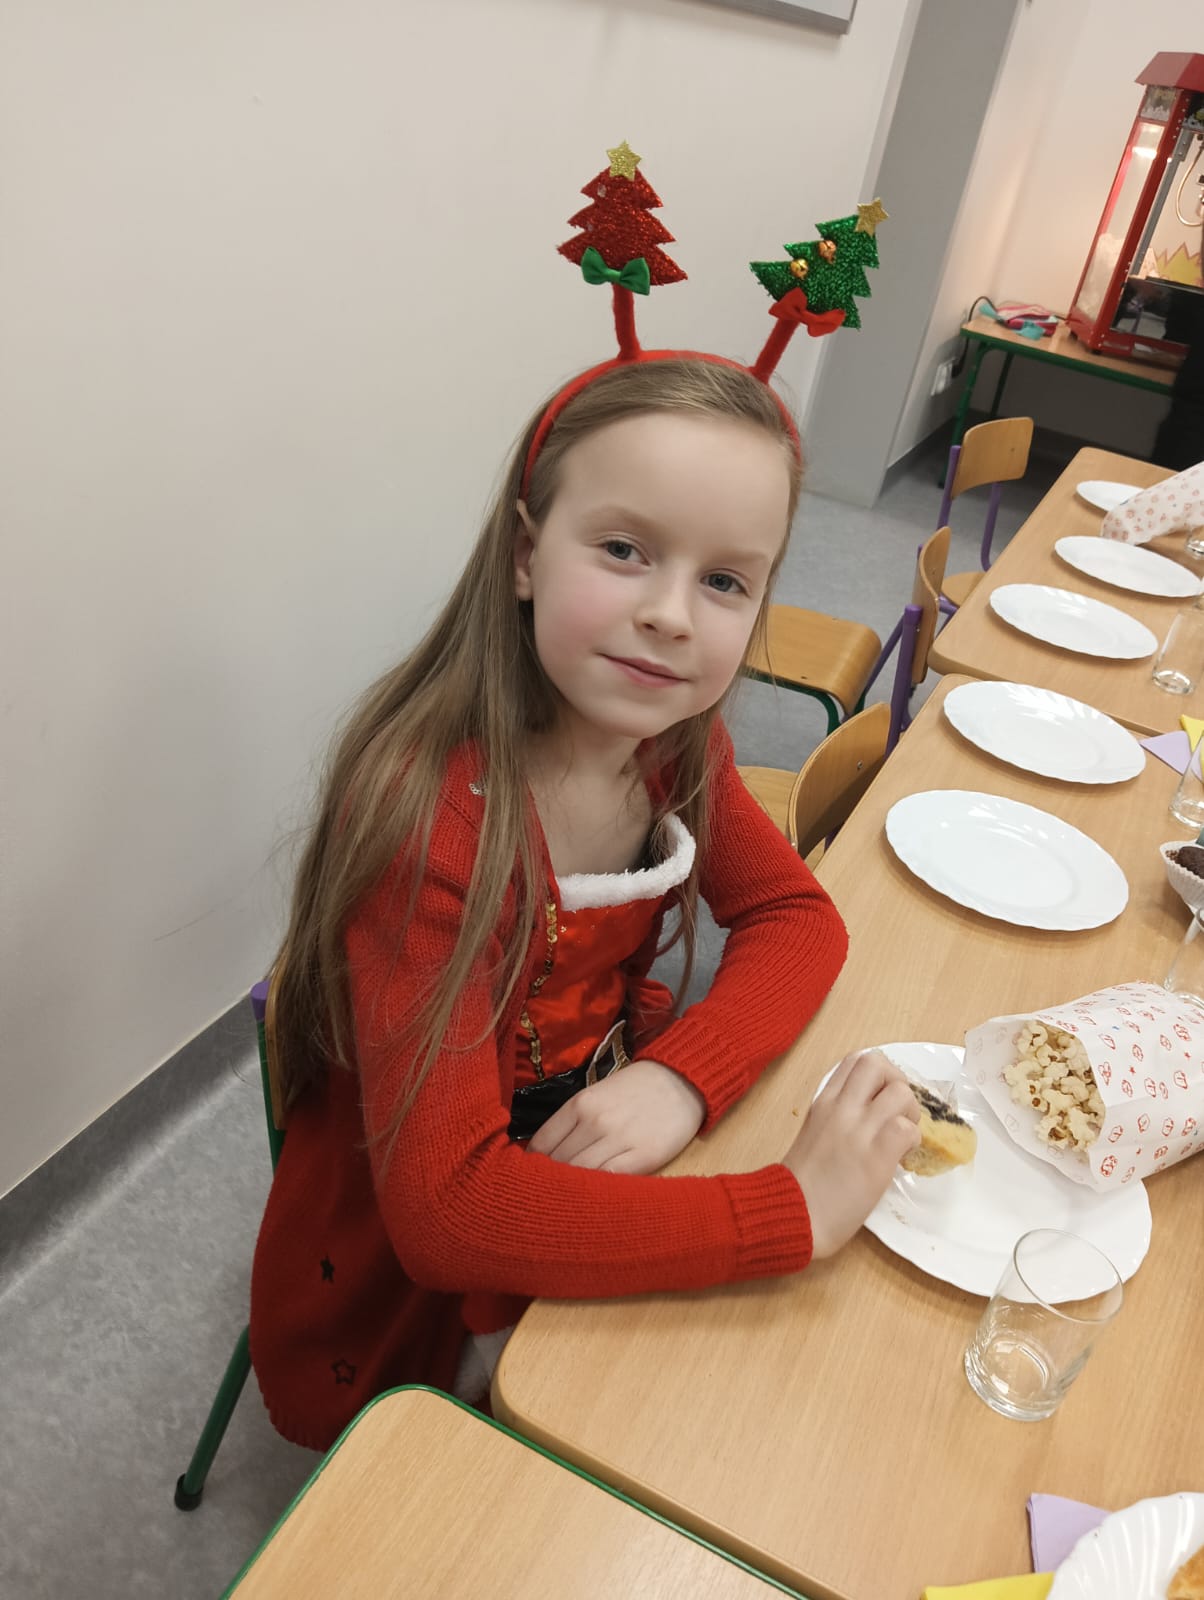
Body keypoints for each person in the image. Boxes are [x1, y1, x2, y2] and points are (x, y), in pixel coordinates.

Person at [249, 356, 921, 1450]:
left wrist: (681, 1077)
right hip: (424, 1217)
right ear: (526, 556)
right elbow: (448, 1216)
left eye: (725, 581)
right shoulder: (434, 825)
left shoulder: (672, 743)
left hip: (590, 1109)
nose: (670, 616)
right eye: (624, 551)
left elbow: (799, 920)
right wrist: (787, 1212)